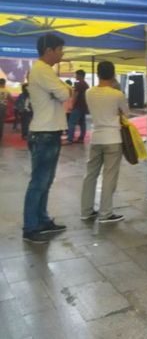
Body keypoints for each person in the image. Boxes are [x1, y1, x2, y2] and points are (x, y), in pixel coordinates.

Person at [23, 34, 72, 244]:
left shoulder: (45, 71)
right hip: (44, 133)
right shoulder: (42, 70)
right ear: (48, 50)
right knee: (39, 182)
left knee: (46, 180)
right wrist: (63, 90)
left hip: (48, 132)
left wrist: (62, 90)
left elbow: (63, 92)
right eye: (59, 49)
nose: (62, 53)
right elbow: (65, 94)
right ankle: (30, 227)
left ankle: (42, 220)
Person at [80, 61, 129, 223]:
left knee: (90, 175)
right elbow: (126, 113)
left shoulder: (89, 92)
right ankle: (105, 213)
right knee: (109, 176)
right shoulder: (117, 94)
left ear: (97, 74)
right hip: (113, 138)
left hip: (96, 138)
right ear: (113, 74)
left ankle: (86, 211)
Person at [66, 69, 89, 144]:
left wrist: (72, 104)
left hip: (78, 106)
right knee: (82, 122)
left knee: (71, 122)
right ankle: (81, 138)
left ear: (80, 75)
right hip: (83, 106)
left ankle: (70, 139)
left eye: (76, 75)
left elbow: (76, 95)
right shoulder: (86, 84)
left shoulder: (79, 84)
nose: (75, 76)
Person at [0, 78, 12, 142]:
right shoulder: (6, 91)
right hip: (3, 107)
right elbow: (11, 99)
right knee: (1, 122)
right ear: (4, 83)